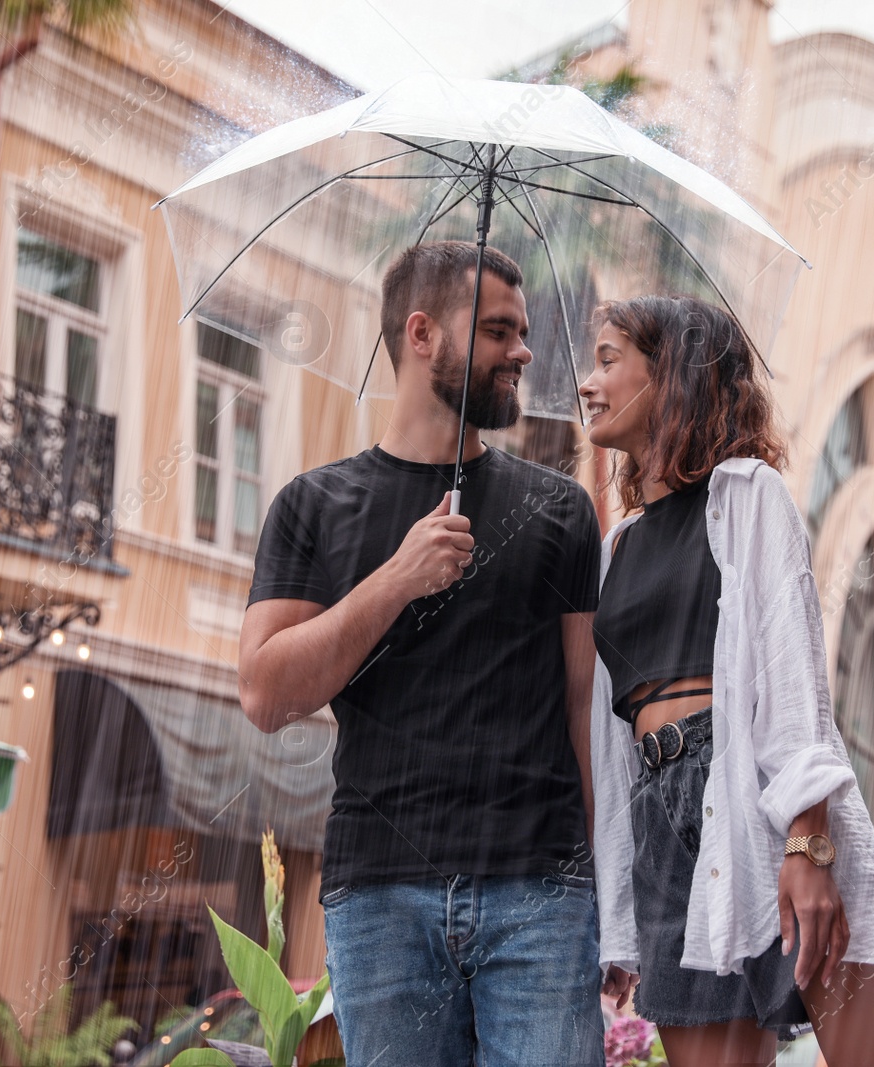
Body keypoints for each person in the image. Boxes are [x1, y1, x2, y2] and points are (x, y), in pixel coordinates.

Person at [239, 241, 606, 1066]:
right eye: (500, 330)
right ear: (422, 334)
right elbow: (265, 693)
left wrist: (599, 890)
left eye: (524, 330)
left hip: (539, 892)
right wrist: (396, 579)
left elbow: (586, 717)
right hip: (380, 896)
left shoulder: (562, 511)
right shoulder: (314, 505)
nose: (525, 350)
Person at [581, 295, 874, 1066]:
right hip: (663, 829)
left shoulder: (746, 495)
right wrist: (619, 916)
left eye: (608, 359)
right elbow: (612, 754)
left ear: (668, 373)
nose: (587, 381)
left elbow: (792, 676)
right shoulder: (616, 548)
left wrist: (809, 846)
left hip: (763, 800)